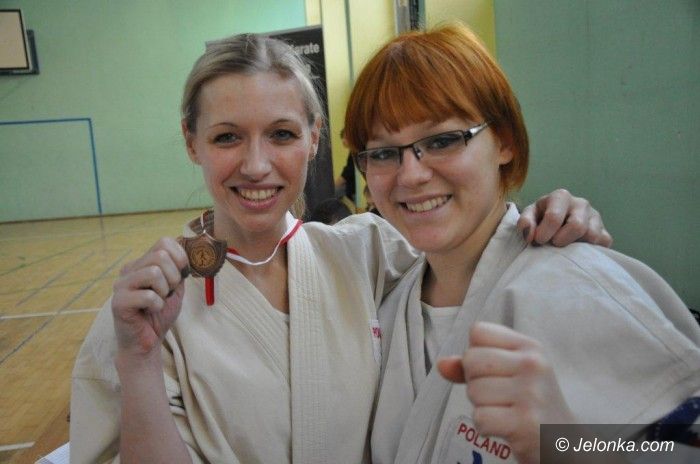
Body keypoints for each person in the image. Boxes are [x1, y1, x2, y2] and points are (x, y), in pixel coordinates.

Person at [70, 33, 611, 464]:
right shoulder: (146, 310)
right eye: (227, 137)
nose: (256, 165)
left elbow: (472, 246)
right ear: (192, 142)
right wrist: (137, 361)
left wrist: (546, 221)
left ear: (314, 137)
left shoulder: (368, 252)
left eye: (282, 134)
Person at [342, 23, 700, 463]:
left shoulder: (585, 289)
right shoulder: (386, 308)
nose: (411, 175)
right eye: (383, 153)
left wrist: (570, 445)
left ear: (505, 142)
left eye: (442, 140)